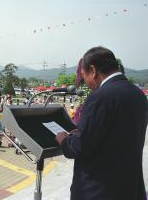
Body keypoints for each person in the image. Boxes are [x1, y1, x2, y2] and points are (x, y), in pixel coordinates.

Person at [55, 47, 148, 200]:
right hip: (130, 187)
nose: (86, 82)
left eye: (84, 75)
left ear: (93, 70)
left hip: (99, 190)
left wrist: (65, 140)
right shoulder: (137, 94)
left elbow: (81, 147)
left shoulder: (100, 97)